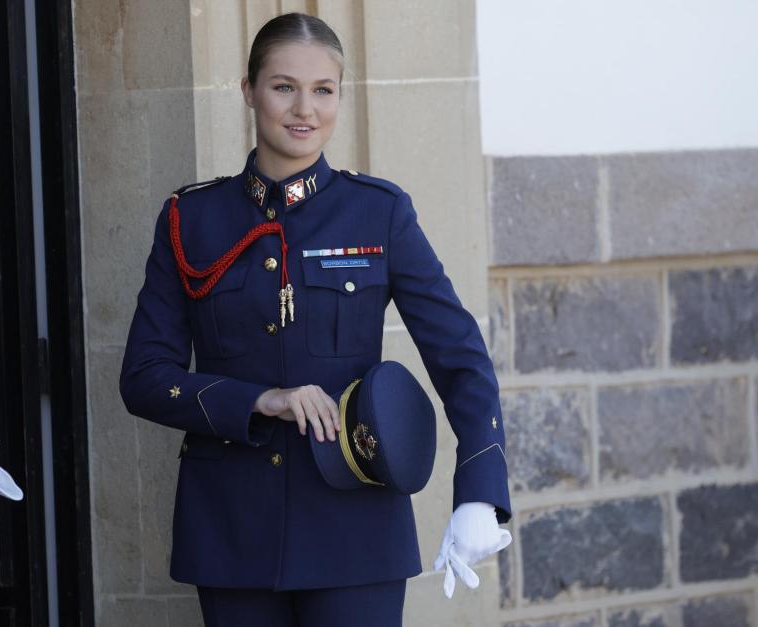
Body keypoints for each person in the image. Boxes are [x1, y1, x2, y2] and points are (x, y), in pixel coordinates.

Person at [120, 12, 511, 626]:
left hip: (356, 532)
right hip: (231, 533)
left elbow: (460, 356)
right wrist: (261, 400)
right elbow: (144, 376)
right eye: (284, 87)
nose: (305, 109)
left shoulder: (378, 213)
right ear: (247, 90)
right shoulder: (190, 220)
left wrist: (482, 488)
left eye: (323, 90)